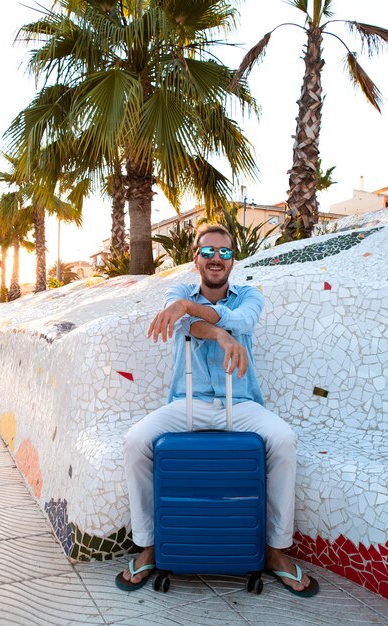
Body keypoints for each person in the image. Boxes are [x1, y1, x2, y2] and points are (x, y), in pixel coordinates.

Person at [116, 224, 319, 597]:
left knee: (284, 440)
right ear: (195, 258)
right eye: (208, 251)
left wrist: (192, 311)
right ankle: (148, 545)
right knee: (134, 442)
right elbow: (184, 324)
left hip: (239, 404)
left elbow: (239, 320)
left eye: (224, 252)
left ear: (233, 260)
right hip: (186, 403)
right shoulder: (176, 292)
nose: (215, 259)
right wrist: (215, 330)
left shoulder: (249, 295)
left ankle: (275, 550)